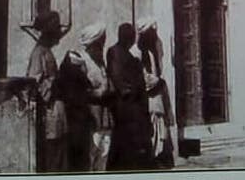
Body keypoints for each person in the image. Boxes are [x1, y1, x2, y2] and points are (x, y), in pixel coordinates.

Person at [58, 21, 114, 172]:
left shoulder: (100, 61)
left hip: (105, 117)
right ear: (91, 43)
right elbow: (78, 90)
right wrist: (96, 93)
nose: (102, 46)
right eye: (99, 43)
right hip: (91, 117)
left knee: (103, 155)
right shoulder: (80, 61)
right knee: (91, 156)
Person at [106, 22, 153, 170]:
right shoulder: (115, 52)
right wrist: (129, 91)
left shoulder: (128, 55)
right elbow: (117, 77)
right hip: (125, 105)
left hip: (132, 105)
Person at [26, 11, 67, 172]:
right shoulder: (39, 53)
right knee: (52, 158)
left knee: (58, 156)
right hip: (49, 113)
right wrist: (55, 82)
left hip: (57, 113)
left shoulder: (46, 52)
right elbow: (34, 83)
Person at [136, 17, 174, 168]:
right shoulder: (138, 53)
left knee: (159, 128)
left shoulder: (149, 53)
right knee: (151, 129)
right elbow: (144, 78)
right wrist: (158, 82)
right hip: (148, 99)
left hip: (156, 98)